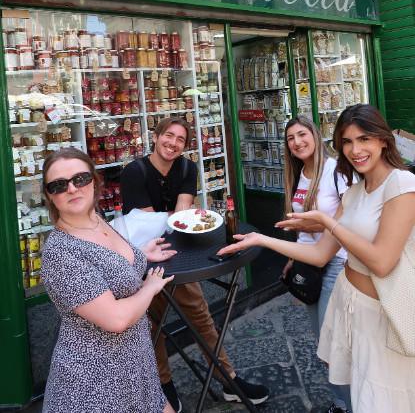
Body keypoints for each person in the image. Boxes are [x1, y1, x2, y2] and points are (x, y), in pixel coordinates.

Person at [218, 104, 415, 413]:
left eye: (364, 139)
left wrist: (328, 223)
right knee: (357, 387)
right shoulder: (356, 192)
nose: (355, 149)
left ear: (383, 140)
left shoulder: (401, 184)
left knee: (384, 398)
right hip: (351, 305)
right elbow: (320, 253)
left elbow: (382, 262)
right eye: (347, 142)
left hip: (383, 313)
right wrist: (261, 239)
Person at [121, 117, 269, 413]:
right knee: (151, 326)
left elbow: (181, 211)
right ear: (156, 136)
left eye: (180, 140)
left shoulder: (188, 168)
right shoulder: (134, 172)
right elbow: (152, 223)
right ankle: (163, 386)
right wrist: (182, 217)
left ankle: (228, 380)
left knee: (199, 316)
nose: (172, 143)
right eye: (168, 136)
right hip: (143, 258)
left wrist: (185, 216)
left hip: (178, 254)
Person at [41, 147, 177, 413]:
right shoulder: (59, 252)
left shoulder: (96, 220)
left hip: (136, 366)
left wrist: (140, 254)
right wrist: (149, 288)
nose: (72, 189)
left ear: (94, 181)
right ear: (49, 196)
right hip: (93, 383)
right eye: (59, 185)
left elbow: (109, 261)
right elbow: (115, 319)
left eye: (80, 179)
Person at [281, 116, 352, 413]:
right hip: (309, 265)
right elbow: (299, 225)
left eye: (302, 134)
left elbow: (351, 219)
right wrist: (293, 256)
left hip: (336, 263)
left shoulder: (336, 171)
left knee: (334, 345)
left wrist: (317, 227)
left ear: (315, 134)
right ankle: (342, 402)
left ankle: (353, 404)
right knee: (324, 343)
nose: (297, 142)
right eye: (290, 138)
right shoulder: (299, 174)